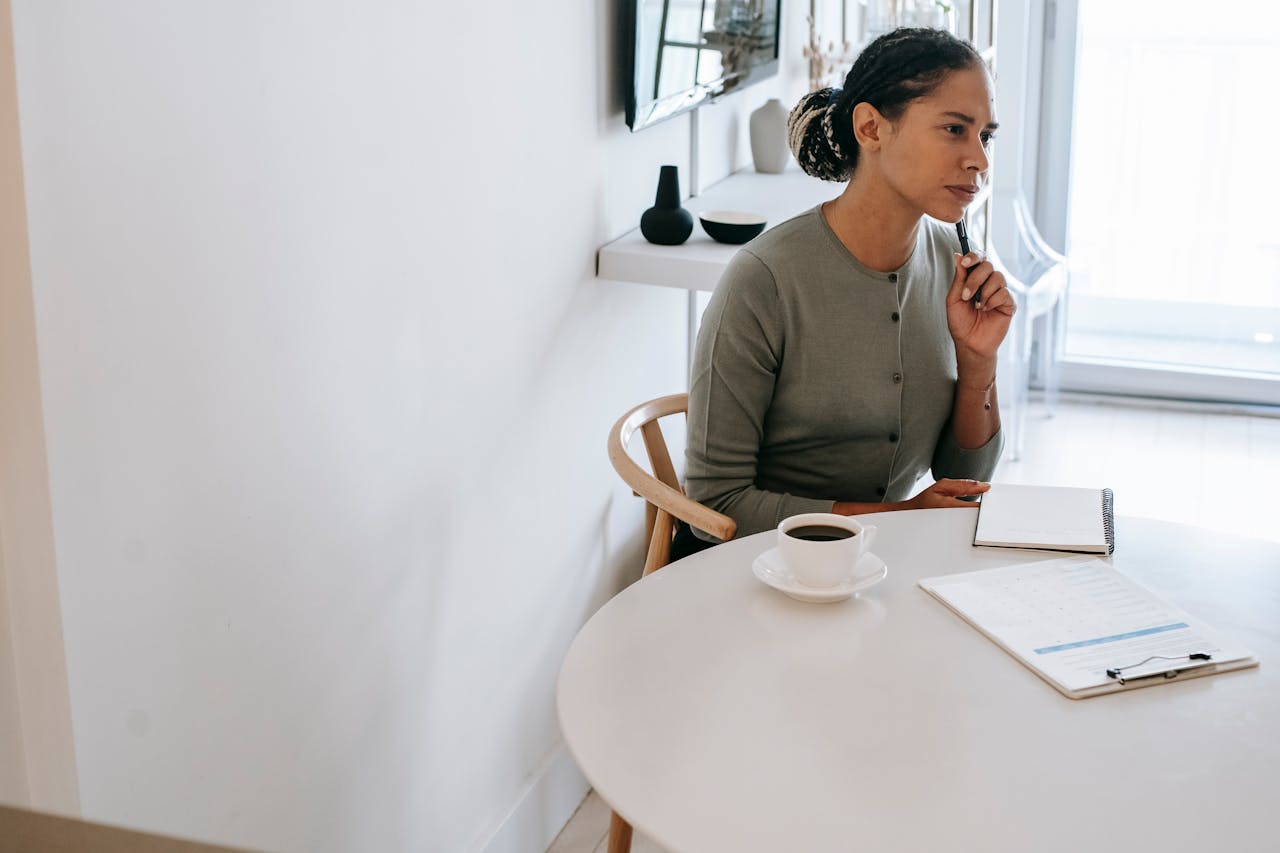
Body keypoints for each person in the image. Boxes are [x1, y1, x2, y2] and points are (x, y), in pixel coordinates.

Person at [676, 27, 1016, 558]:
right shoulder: (764, 278)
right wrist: (898, 518)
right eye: (954, 129)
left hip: (879, 567)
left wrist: (979, 362)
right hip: (754, 570)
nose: (980, 160)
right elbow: (716, 504)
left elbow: (963, 480)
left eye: (985, 136)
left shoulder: (953, 265)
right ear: (871, 127)